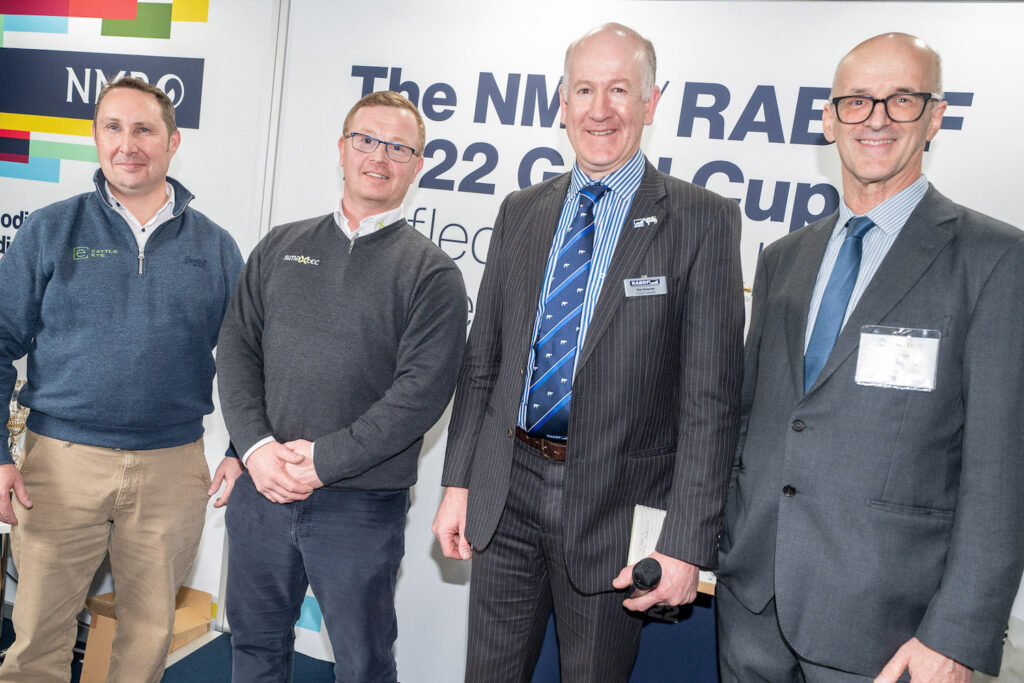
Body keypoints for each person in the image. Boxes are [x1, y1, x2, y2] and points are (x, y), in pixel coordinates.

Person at [432, 23, 743, 681]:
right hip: (507, 491)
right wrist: (458, 481)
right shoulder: (521, 209)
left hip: (616, 509)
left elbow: (711, 402)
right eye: (584, 90)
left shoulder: (702, 220)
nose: (600, 110)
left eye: (619, 90)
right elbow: (483, 360)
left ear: (651, 102)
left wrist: (686, 541)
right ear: (563, 103)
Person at [716, 33, 1024, 682]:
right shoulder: (784, 258)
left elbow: (1002, 471)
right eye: (856, 101)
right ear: (829, 120)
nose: (876, 118)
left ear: (935, 116)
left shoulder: (994, 260)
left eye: (901, 99)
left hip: (889, 631)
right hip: (752, 609)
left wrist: (957, 635)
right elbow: (752, 423)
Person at [216, 90, 467, 682]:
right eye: (366, 140)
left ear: (417, 165)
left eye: (398, 147)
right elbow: (238, 349)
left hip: (361, 505)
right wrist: (254, 449)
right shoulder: (281, 245)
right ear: (342, 148)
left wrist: (325, 461)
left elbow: (420, 396)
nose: (379, 157)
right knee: (254, 649)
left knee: (363, 665)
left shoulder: (432, 274)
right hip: (263, 489)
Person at [0, 76, 244, 682]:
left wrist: (242, 447)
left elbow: (249, 359)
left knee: (147, 639)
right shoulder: (50, 230)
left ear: (173, 141)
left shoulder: (215, 247)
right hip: (59, 465)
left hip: (172, 470)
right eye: (113, 127)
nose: (127, 144)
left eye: (143, 129)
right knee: (37, 639)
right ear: (95, 137)